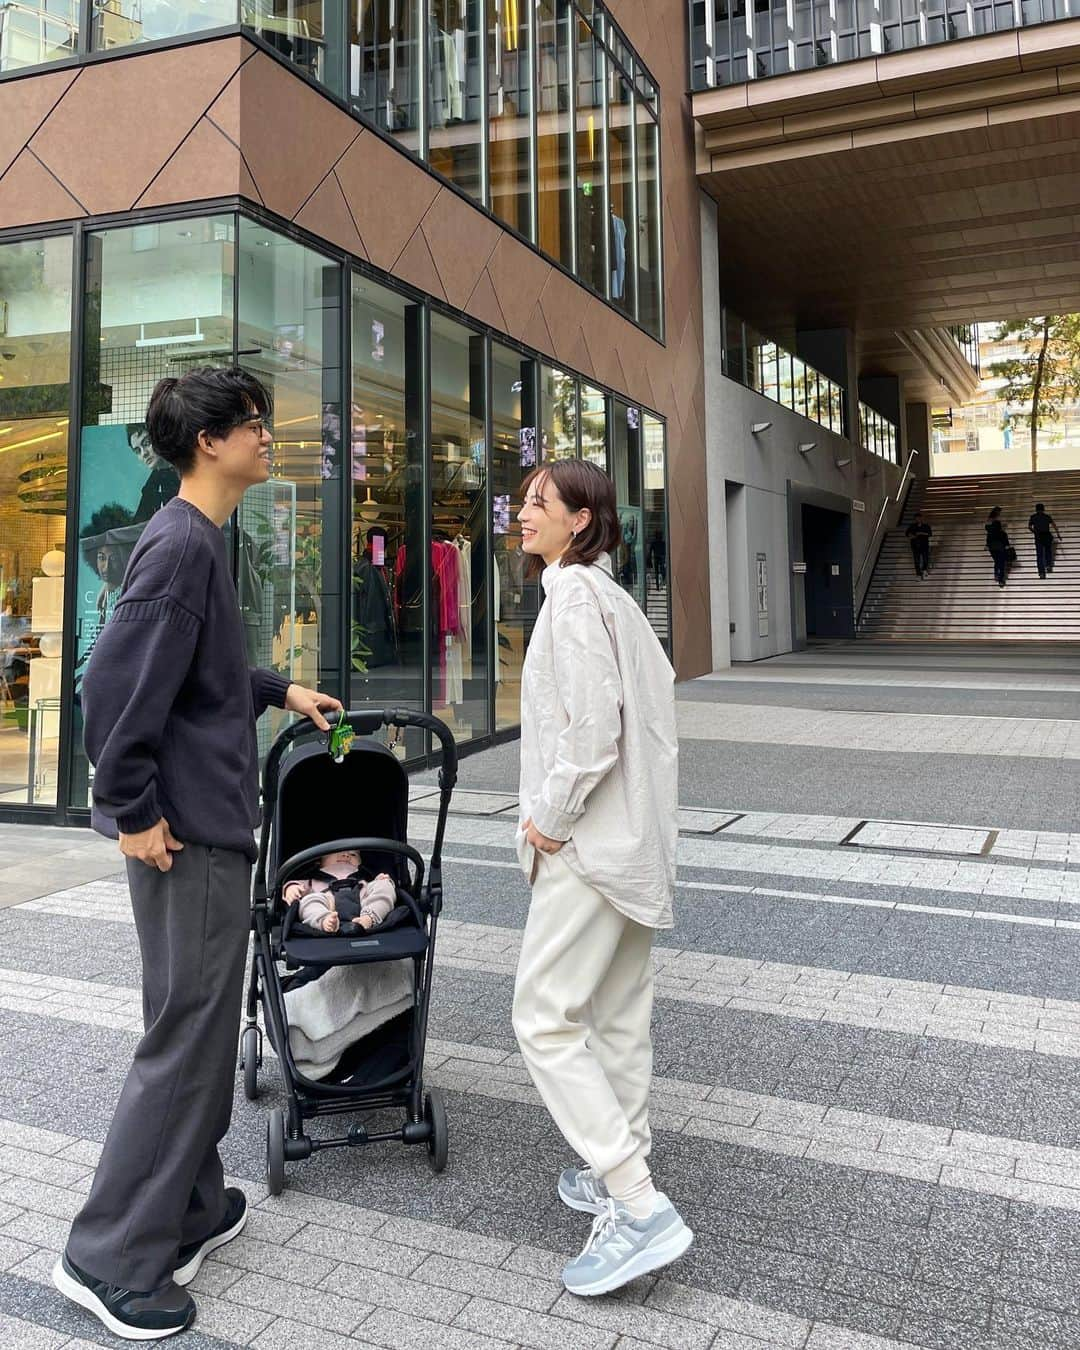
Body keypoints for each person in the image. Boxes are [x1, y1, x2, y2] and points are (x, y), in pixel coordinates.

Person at [53, 367, 343, 1341]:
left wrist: (275, 689)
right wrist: (127, 806)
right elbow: (112, 682)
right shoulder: (181, 545)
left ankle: (187, 1205)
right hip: (187, 832)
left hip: (203, 821)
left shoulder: (200, 542)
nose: (270, 437)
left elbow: (200, 669)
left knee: (202, 1027)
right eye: (257, 425)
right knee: (184, 1037)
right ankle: (108, 1258)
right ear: (211, 442)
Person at [511, 458, 692, 1298]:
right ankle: (617, 1169)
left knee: (544, 1018)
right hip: (633, 845)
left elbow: (591, 739)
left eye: (538, 502)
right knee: (616, 1017)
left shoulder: (575, 599)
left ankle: (636, 1202)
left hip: (588, 846)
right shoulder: (613, 598)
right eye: (523, 500)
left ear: (580, 520)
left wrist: (547, 819)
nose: (522, 512)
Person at [283, 846, 396, 933]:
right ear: (319, 861)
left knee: (384, 886)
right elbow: (297, 886)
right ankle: (324, 920)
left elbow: (375, 888)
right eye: (338, 852)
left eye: (353, 854)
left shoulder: (363, 876)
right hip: (327, 905)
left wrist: (380, 881)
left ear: (360, 863)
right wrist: (291, 888)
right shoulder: (313, 880)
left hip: (363, 903)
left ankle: (370, 918)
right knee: (309, 901)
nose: (346, 855)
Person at [1028, 503, 1062, 579]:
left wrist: (1035, 532)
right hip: (1047, 536)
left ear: (1036, 509)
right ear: (1043, 509)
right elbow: (1054, 525)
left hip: (1039, 537)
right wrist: (1058, 534)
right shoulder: (1047, 517)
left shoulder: (1033, 517)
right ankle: (1048, 565)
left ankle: (1041, 572)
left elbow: (1029, 527)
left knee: (1039, 555)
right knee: (1048, 551)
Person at [985, 506, 1010, 588]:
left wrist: (987, 545)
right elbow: (1002, 536)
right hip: (999, 546)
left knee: (996, 561)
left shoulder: (988, 524)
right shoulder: (998, 525)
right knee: (1001, 563)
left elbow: (988, 535)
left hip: (992, 547)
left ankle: (996, 574)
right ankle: (1001, 580)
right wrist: (1007, 545)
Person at [905, 512, 932, 579]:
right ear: (915, 519)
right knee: (917, 560)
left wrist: (921, 533)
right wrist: (912, 536)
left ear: (922, 518)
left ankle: (924, 570)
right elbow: (907, 534)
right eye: (916, 518)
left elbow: (930, 534)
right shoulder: (912, 526)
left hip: (924, 545)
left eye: (919, 518)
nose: (918, 519)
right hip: (915, 545)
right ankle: (918, 574)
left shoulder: (926, 526)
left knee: (925, 558)